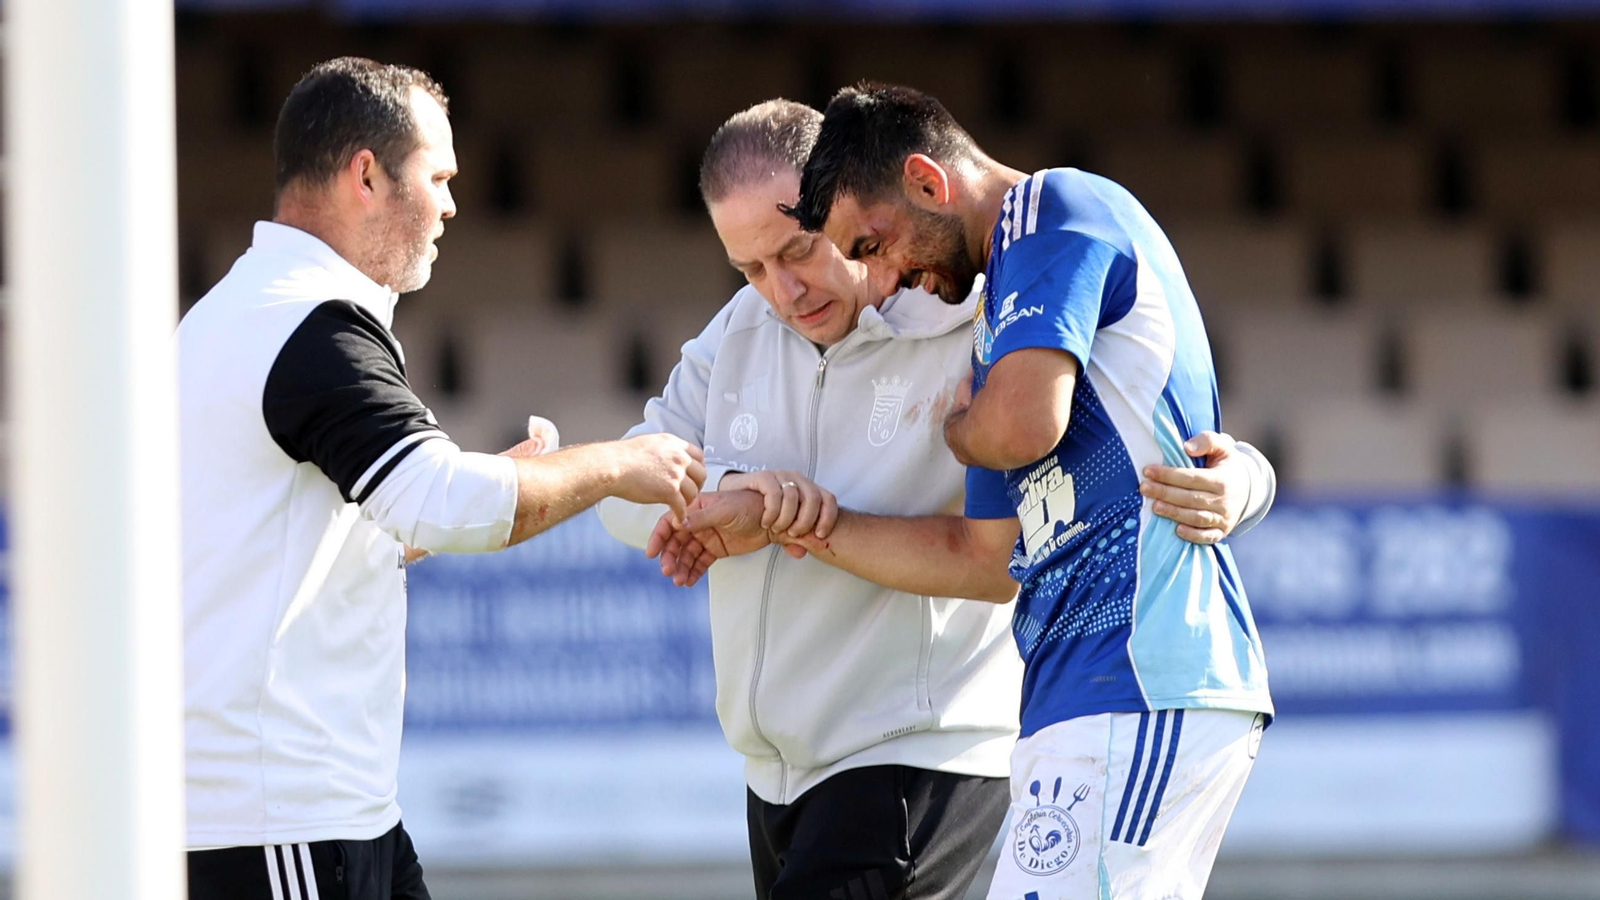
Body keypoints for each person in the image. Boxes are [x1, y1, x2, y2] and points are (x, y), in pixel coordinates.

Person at [600, 99, 1275, 900]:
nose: (780, 290)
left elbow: (1056, 435)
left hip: (944, 745)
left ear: (852, 199)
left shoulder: (988, 294)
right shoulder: (739, 333)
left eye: (808, 249)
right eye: (749, 268)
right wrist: (743, 499)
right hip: (785, 771)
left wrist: (1247, 478)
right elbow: (628, 483)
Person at [177, 57, 705, 900]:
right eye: (439, 176)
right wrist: (617, 464)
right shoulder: (309, 326)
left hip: (323, 815)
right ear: (366, 175)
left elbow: (295, 529)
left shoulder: (241, 312)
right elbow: (450, 507)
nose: (453, 204)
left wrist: (457, 491)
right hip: (284, 825)